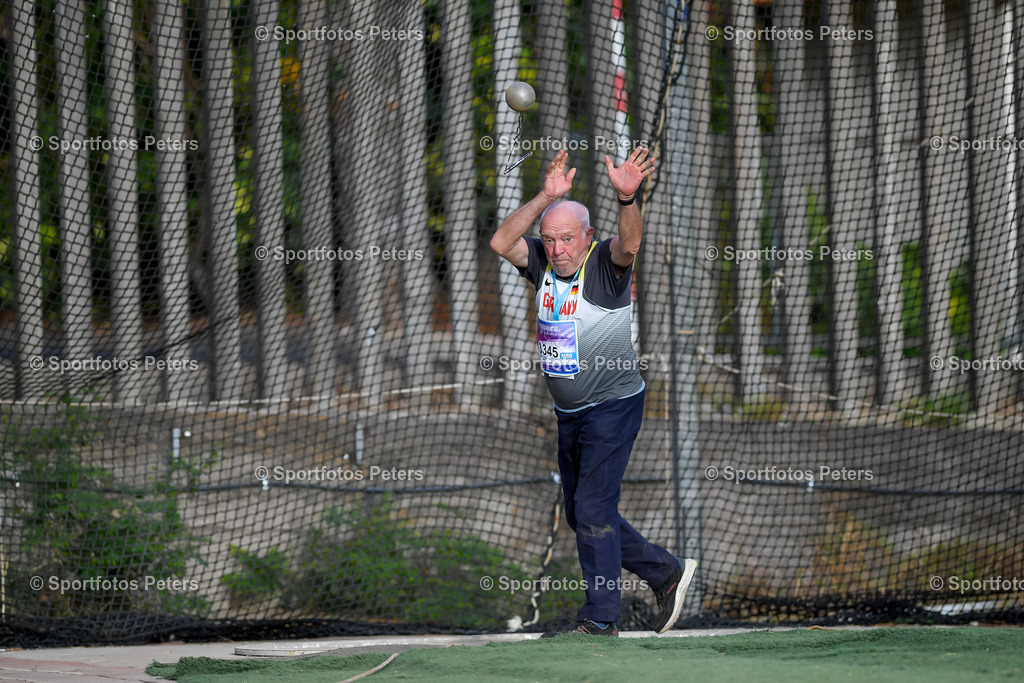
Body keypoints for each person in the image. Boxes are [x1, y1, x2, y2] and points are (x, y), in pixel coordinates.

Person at [489, 148, 697, 636]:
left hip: (613, 406)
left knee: (595, 510)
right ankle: (666, 574)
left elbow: (632, 243)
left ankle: (601, 619)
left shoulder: (604, 263)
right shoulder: (541, 263)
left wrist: (628, 197)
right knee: (581, 517)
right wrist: (545, 196)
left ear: (587, 238)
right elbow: (502, 240)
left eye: (566, 240)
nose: (557, 250)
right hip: (571, 413)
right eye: (550, 240)